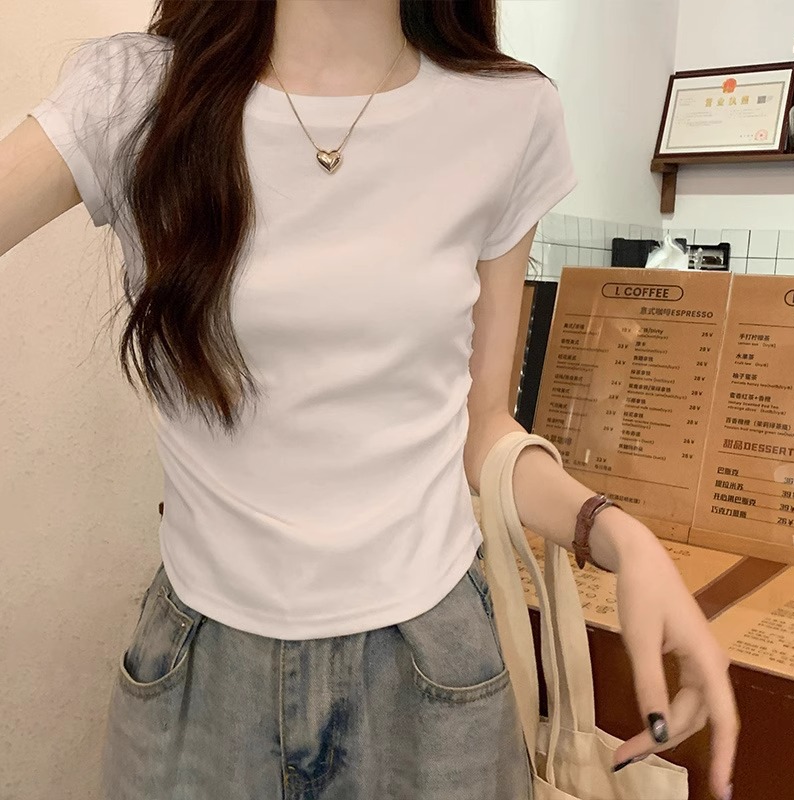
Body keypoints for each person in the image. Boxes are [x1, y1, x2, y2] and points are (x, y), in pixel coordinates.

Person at [0, 1, 739, 798]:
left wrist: (615, 533)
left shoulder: (507, 114)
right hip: (203, 669)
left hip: (431, 673)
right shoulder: (140, 95)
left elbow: (481, 427)